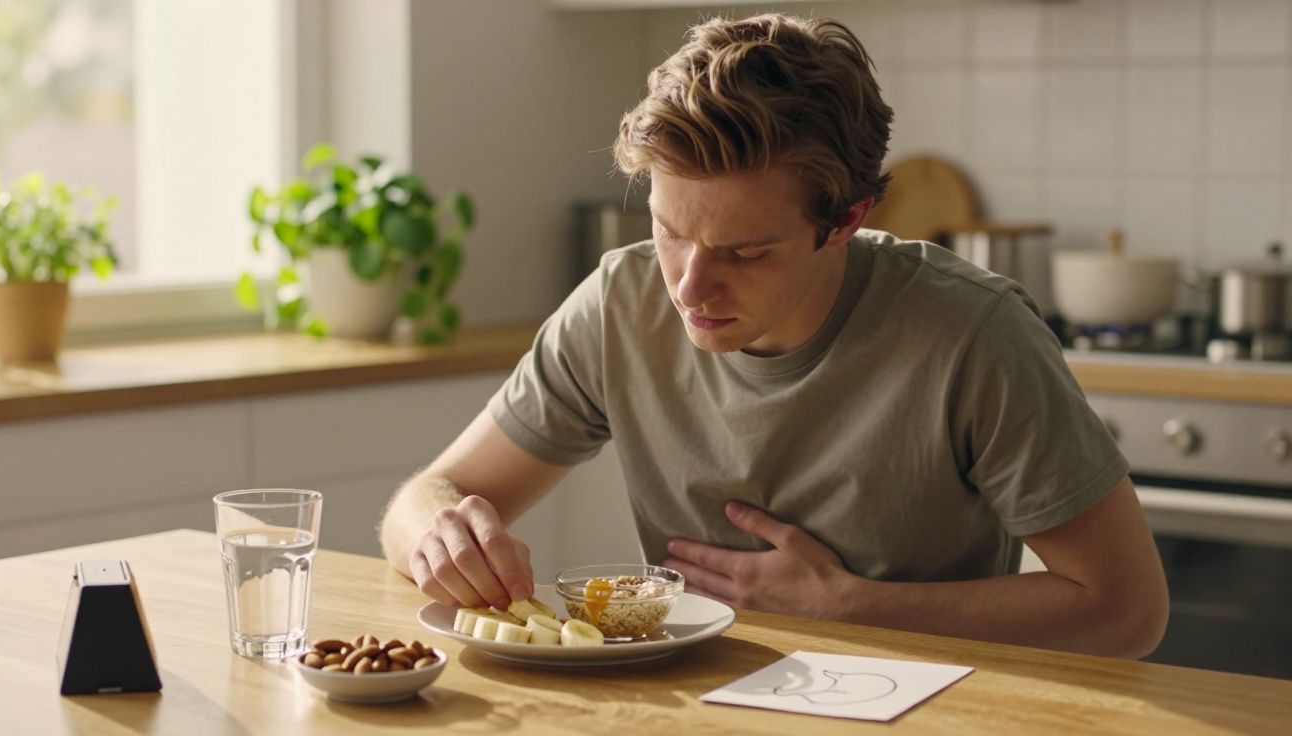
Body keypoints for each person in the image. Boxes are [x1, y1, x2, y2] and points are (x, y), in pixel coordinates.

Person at [380, 13, 1169, 658]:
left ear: (846, 220)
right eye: (668, 231)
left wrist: (854, 607)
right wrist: (442, 532)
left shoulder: (973, 335)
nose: (689, 286)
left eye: (745, 253)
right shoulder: (619, 302)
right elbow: (422, 500)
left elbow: (1127, 611)